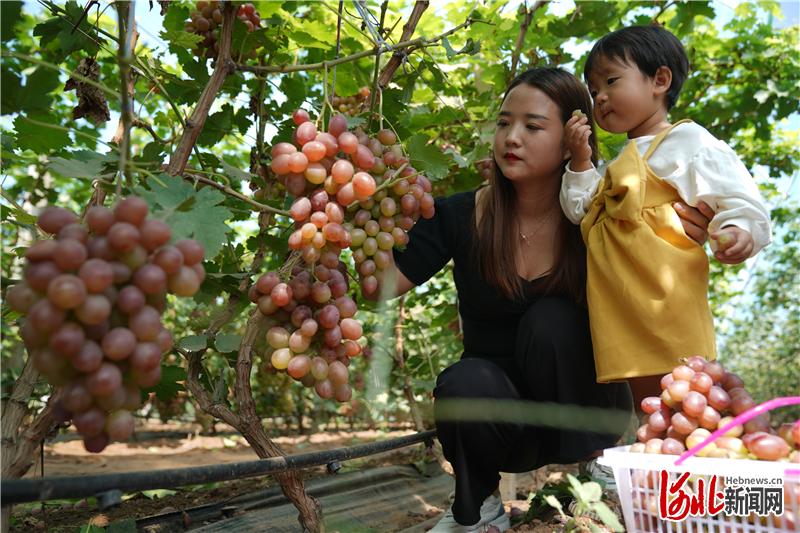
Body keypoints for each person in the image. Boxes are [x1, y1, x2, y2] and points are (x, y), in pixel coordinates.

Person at [366, 67, 714, 532]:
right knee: (462, 381)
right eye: (504, 123)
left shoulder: (598, 215)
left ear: (573, 137)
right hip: (503, 424)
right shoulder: (460, 215)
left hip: (586, 413)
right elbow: (379, 286)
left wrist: (697, 226)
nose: (512, 137)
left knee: (551, 320)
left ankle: (600, 468)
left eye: (533, 126)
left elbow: (661, 275)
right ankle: (479, 508)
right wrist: (351, 214)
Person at [560, 25, 771, 408]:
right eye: (593, 92)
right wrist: (581, 161)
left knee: (688, 388)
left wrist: (738, 229)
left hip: (668, 301)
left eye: (610, 81)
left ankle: (707, 456)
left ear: (659, 80)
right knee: (649, 401)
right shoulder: (617, 165)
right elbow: (579, 211)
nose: (600, 97)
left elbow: (738, 196)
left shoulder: (688, 141)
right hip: (620, 309)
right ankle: (657, 458)